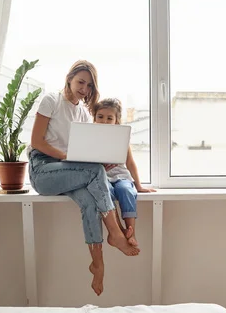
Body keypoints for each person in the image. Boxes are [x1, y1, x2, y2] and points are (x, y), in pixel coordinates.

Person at [28, 61, 139, 297]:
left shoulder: (81, 112)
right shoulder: (52, 100)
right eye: (80, 82)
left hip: (68, 171)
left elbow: (86, 151)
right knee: (95, 173)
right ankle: (116, 233)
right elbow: (37, 142)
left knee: (90, 200)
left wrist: (103, 159)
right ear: (69, 78)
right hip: (43, 171)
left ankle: (97, 264)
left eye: (89, 85)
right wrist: (71, 158)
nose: (84, 88)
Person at [93, 98, 156, 247]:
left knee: (126, 190)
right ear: (94, 117)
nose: (104, 121)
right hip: (102, 178)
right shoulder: (91, 137)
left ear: (116, 120)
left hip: (120, 175)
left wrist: (138, 185)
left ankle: (131, 231)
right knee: (106, 191)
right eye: (100, 117)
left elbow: (130, 162)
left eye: (110, 118)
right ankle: (118, 231)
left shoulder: (121, 138)